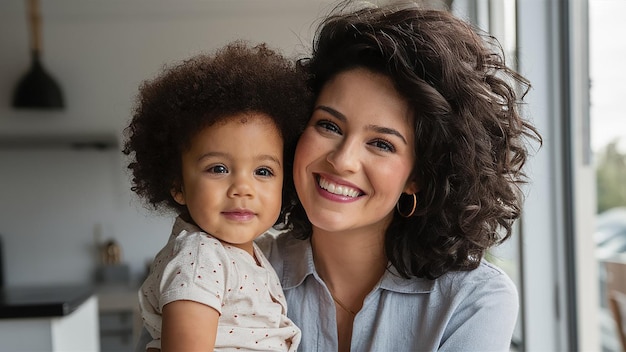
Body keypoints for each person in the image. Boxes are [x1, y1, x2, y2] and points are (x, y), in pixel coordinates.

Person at [135, 1, 542, 351]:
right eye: (329, 125)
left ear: (418, 175)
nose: (343, 160)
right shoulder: (236, 266)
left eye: (382, 144)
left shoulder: (472, 300)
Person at [123, 41, 311, 351]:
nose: (242, 187)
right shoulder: (200, 257)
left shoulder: (247, 255)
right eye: (219, 168)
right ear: (177, 185)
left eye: (263, 171)